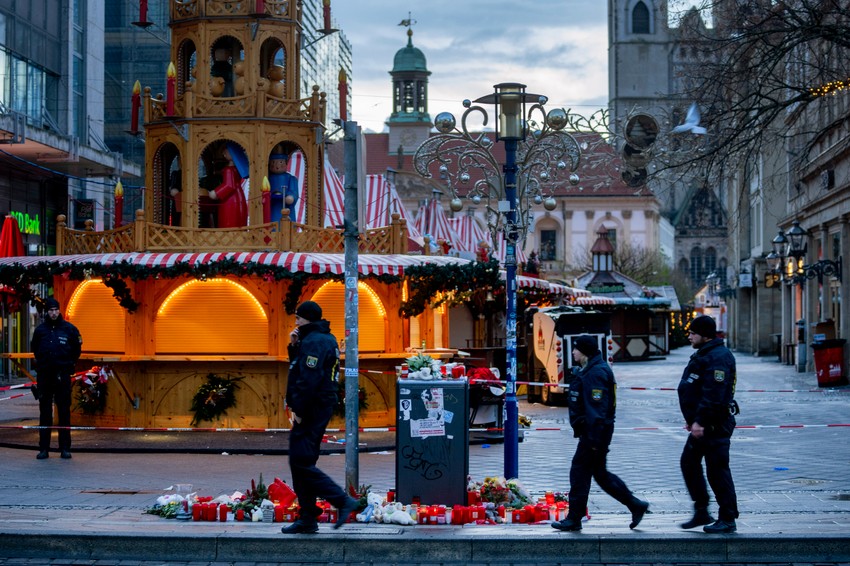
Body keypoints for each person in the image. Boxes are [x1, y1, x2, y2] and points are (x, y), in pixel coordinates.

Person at [552, 334, 649, 532]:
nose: (573, 352)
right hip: (594, 433)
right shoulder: (591, 369)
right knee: (600, 474)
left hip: (594, 434)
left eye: (576, 349)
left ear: (585, 352)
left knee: (579, 472)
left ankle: (574, 519)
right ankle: (635, 505)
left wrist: (593, 439)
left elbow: (597, 409)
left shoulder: (596, 373)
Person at [281, 300, 358, 534]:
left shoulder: (314, 341)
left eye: (298, 318)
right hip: (319, 406)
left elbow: (308, 380)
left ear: (306, 319)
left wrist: (300, 411)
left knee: (300, 461)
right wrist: (294, 347)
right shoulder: (322, 338)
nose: (295, 322)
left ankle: (341, 501)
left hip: (312, 408)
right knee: (302, 461)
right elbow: (302, 368)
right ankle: (307, 517)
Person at [678, 315, 739, 534]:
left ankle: (728, 518)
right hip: (702, 424)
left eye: (693, 333)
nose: (689, 336)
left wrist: (700, 421)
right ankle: (702, 509)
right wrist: (693, 420)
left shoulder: (718, 357)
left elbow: (714, 394)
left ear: (704, 334)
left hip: (714, 424)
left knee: (717, 471)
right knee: (689, 462)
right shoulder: (706, 353)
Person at [31, 297, 83, 460]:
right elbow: (35, 349)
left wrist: (68, 364)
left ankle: (65, 447)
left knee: (64, 412)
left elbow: (76, 349)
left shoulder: (69, 329)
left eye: (55, 310)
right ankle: (44, 448)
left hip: (62, 375)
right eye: (50, 310)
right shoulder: (40, 330)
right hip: (45, 375)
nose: (53, 313)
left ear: (59, 311)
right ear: (47, 312)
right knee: (44, 412)